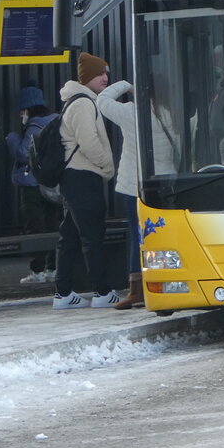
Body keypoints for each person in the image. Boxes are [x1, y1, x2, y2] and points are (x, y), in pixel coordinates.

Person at [53, 52, 119, 309]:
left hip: (74, 177)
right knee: (92, 235)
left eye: (105, 73)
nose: (105, 77)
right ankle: (102, 291)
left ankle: (63, 292)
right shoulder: (82, 103)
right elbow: (89, 142)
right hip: (83, 176)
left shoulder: (78, 100)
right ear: (86, 77)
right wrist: (107, 164)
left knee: (69, 235)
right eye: (99, 73)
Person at [5, 80, 61, 285]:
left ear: (27, 108)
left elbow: (22, 153)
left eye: (22, 111)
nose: (21, 115)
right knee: (53, 224)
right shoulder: (55, 121)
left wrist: (11, 138)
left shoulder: (34, 126)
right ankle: (53, 268)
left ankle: (37, 270)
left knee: (35, 227)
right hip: (52, 182)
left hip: (32, 184)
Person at [97, 78, 145, 310]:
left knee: (137, 236)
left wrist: (126, 84)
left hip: (133, 186)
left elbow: (102, 100)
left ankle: (136, 289)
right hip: (166, 184)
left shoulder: (132, 113)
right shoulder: (171, 115)